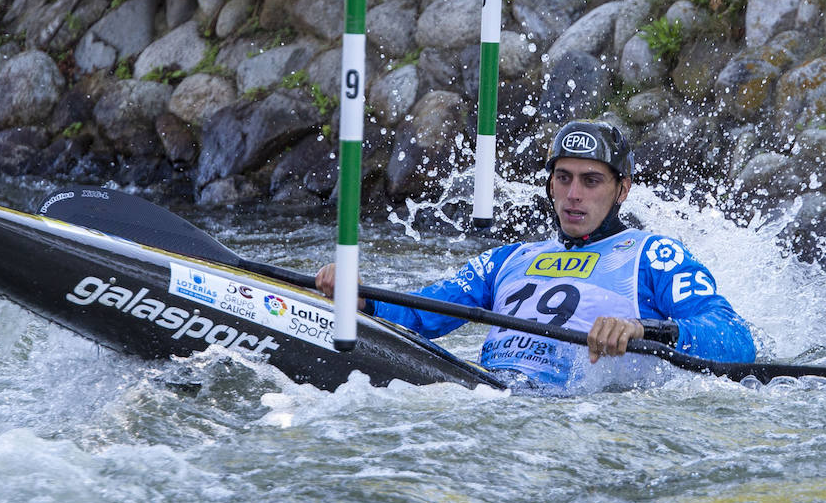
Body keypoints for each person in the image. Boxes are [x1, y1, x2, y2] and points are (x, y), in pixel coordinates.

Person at [315, 119, 757, 391]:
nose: (573, 195)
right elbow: (419, 313)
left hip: (576, 417)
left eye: (591, 181)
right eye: (562, 178)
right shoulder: (509, 258)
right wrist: (364, 300)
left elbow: (735, 339)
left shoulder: (654, 254)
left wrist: (641, 328)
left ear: (623, 189)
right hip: (488, 394)